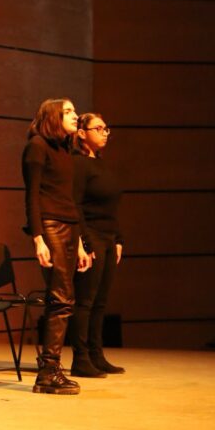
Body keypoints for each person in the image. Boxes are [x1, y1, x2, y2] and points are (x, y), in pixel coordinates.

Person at [22, 98, 92, 395]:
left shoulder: (65, 149)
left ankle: (50, 369)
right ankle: (48, 372)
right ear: (53, 116)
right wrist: (38, 238)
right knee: (61, 298)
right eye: (68, 112)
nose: (76, 116)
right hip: (50, 226)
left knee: (65, 298)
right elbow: (32, 196)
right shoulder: (37, 146)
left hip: (69, 226)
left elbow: (69, 199)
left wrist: (80, 244)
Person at [69, 113, 125, 376]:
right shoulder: (79, 164)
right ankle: (81, 358)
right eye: (98, 128)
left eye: (106, 129)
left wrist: (118, 239)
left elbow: (111, 207)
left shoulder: (100, 164)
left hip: (108, 237)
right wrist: (85, 242)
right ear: (82, 133)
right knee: (86, 300)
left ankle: (96, 354)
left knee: (101, 301)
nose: (105, 133)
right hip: (91, 235)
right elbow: (75, 205)